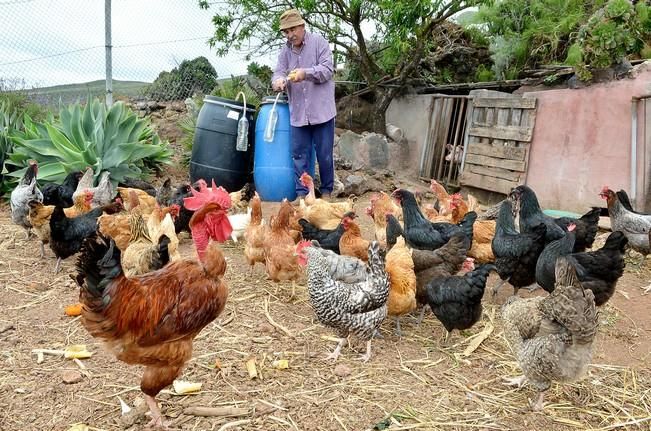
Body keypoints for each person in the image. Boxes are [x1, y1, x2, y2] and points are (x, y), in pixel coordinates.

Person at [271, 8, 336, 200]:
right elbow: (278, 72)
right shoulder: (285, 52)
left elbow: (327, 70)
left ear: (302, 25)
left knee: (324, 155)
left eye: (293, 30)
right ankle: (303, 195)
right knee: (299, 156)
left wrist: (305, 73)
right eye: (286, 32)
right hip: (298, 114)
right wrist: (278, 81)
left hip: (322, 111)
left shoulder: (319, 42)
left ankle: (326, 192)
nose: (290, 35)